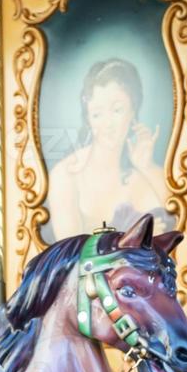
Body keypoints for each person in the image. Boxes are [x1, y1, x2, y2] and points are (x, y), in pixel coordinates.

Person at [47, 58, 170, 240]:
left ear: (133, 112)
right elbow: (69, 257)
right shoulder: (66, 175)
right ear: (88, 118)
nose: (107, 124)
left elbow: (186, 218)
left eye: (117, 110)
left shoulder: (144, 170)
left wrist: (147, 167)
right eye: (97, 114)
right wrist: (133, 240)